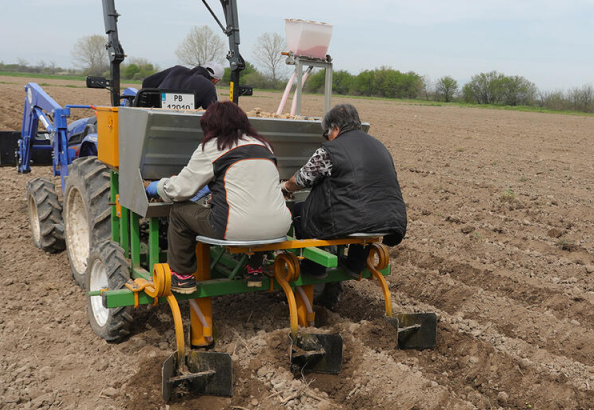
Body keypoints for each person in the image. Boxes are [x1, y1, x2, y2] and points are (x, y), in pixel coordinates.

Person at [146, 101, 291, 293]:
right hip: (279, 227)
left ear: (211, 125)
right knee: (256, 206)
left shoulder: (213, 146)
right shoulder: (264, 145)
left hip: (234, 228)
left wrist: (158, 186)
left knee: (179, 212)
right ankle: (254, 269)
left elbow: (181, 190)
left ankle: (182, 277)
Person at [281, 103, 406, 278]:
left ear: (336, 129)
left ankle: (314, 267)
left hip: (354, 221)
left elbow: (302, 179)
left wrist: (285, 187)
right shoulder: (380, 146)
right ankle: (355, 264)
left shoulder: (331, 150)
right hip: (389, 219)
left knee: (302, 210)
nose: (327, 138)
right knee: (366, 214)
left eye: (327, 134)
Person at [141, 61, 224, 110]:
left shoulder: (176, 69)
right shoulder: (208, 86)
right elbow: (214, 115)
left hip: (153, 117)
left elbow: (147, 82)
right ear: (216, 80)